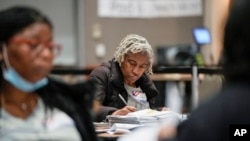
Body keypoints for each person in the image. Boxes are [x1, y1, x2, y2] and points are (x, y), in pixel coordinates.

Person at [0, 6, 97, 141]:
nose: (46, 54)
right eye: (33, 45)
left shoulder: (67, 103)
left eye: (50, 47)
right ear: (2, 49)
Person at [89, 34, 165, 122]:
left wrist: (160, 112)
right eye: (132, 63)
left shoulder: (144, 81)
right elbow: (90, 107)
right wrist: (114, 113)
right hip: (113, 133)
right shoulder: (102, 74)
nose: (136, 71)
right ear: (121, 57)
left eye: (142, 66)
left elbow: (145, 113)